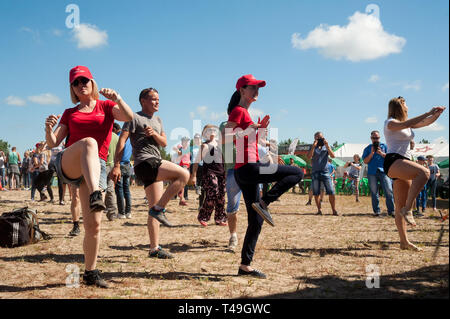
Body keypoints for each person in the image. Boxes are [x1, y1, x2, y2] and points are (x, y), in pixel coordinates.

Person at [44, 65, 134, 287]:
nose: (81, 84)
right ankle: (96, 192)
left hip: (97, 167)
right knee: (89, 143)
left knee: (93, 225)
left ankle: (90, 273)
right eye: (76, 82)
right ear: (72, 89)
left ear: (93, 83)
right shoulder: (70, 112)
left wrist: (118, 98)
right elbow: (52, 143)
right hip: (70, 162)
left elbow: (129, 117)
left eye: (84, 80)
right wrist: (48, 128)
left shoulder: (106, 105)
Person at [225, 74, 303, 278]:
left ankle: (245, 266)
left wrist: (260, 131)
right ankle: (265, 202)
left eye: (258, 87)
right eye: (252, 87)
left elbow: (246, 141)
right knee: (297, 172)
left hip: (246, 169)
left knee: (256, 220)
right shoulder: (238, 111)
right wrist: (250, 129)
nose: (256, 90)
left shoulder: (245, 113)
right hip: (248, 167)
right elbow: (227, 136)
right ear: (242, 90)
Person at [111, 87, 189, 260]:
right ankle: (160, 208)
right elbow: (122, 141)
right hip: (145, 162)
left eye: (158, 99)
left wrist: (153, 134)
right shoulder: (133, 117)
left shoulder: (158, 120)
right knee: (184, 175)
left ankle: (154, 248)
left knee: (153, 207)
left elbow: (164, 143)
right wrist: (117, 164)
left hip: (154, 161)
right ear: (143, 101)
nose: (157, 102)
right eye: (153, 99)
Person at [383, 96, 445, 251]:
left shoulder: (407, 126)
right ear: (399, 107)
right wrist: (428, 112)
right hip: (393, 161)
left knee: (399, 207)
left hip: (403, 162)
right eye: (405, 104)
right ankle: (409, 209)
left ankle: (404, 242)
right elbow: (408, 123)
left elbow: (424, 123)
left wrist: (436, 115)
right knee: (424, 172)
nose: (407, 106)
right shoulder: (390, 122)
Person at [189, 124, 227, 227]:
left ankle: (220, 218)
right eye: (208, 130)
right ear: (204, 134)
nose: (211, 131)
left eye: (213, 129)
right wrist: (194, 176)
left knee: (221, 196)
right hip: (210, 173)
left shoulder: (220, 144)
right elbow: (196, 162)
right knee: (213, 192)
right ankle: (203, 216)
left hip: (221, 173)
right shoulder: (204, 146)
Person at [362, 130, 395, 217]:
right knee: (374, 192)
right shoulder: (367, 148)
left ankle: (391, 211)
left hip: (384, 172)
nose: (375, 139)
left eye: (377, 138)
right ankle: (377, 211)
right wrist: (372, 153)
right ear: (371, 138)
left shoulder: (385, 146)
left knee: (389, 191)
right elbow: (365, 161)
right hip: (372, 172)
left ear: (380, 138)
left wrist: (381, 153)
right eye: (374, 138)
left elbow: (390, 158)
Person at [307, 132, 339, 216]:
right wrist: (313, 146)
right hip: (315, 172)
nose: (319, 139)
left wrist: (327, 145)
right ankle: (319, 210)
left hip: (325, 172)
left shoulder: (326, 146)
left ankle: (334, 210)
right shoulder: (312, 146)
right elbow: (309, 157)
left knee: (331, 192)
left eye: (320, 138)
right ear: (314, 139)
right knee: (316, 192)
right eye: (317, 138)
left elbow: (333, 156)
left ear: (323, 138)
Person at [114, 122, 133, 219]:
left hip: (120, 165)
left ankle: (121, 212)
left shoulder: (118, 138)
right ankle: (128, 212)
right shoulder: (129, 139)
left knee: (119, 190)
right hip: (128, 164)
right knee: (127, 190)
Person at [104, 125, 119, 221]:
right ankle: (112, 213)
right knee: (110, 190)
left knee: (99, 189)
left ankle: (95, 212)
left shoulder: (103, 135)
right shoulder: (116, 137)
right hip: (113, 165)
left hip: (103, 164)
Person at [174, 137, 191, 205]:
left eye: (187, 141)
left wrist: (177, 150)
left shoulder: (188, 148)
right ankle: (181, 197)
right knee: (182, 181)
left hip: (187, 165)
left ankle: (183, 197)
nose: (186, 142)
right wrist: (177, 149)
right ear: (182, 141)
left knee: (184, 182)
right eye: (184, 141)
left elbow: (180, 153)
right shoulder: (180, 146)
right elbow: (177, 151)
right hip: (182, 165)